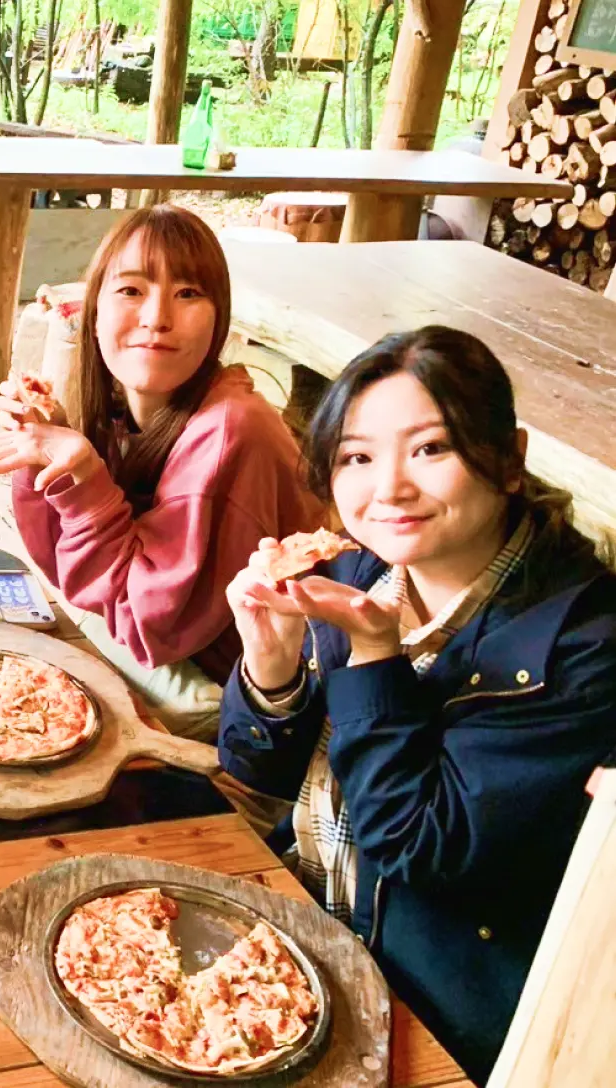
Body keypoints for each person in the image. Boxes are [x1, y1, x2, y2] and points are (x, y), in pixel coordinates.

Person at [217, 326, 616, 1083]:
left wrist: (376, 655)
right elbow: (255, 770)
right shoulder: (363, 570)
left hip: (427, 1005)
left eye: (431, 449)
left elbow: (421, 850)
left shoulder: (579, 646)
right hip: (304, 924)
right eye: (357, 458)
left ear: (509, 458)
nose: (389, 489)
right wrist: (270, 669)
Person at [0, 206, 322, 737]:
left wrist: (85, 482)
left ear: (219, 321)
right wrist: (51, 455)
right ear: (94, 311)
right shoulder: (119, 409)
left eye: (188, 293)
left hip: (253, 712)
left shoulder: (231, 431)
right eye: (131, 290)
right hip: (166, 650)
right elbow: (70, 575)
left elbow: (150, 630)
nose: (157, 317)